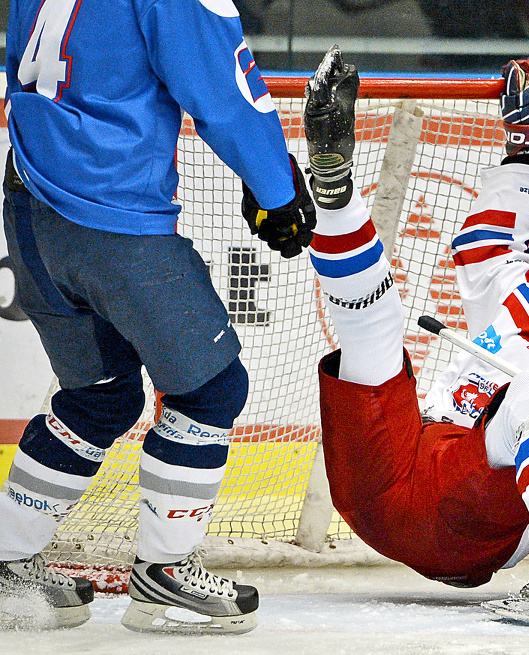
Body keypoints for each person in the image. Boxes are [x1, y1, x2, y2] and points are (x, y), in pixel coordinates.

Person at [303, 46, 529, 617]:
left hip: (471, 523)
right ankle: (332, 189)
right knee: (378, 326)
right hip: (388, 475)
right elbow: (487, 251)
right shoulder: (525, 316)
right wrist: (524, 152)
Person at [1, 0, 315, 633]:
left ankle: (7, 565)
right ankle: (165, 575)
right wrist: (276, 190)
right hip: (112, 221)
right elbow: (225, 96)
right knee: (212, 389)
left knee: (100, 397)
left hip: (28, 211)